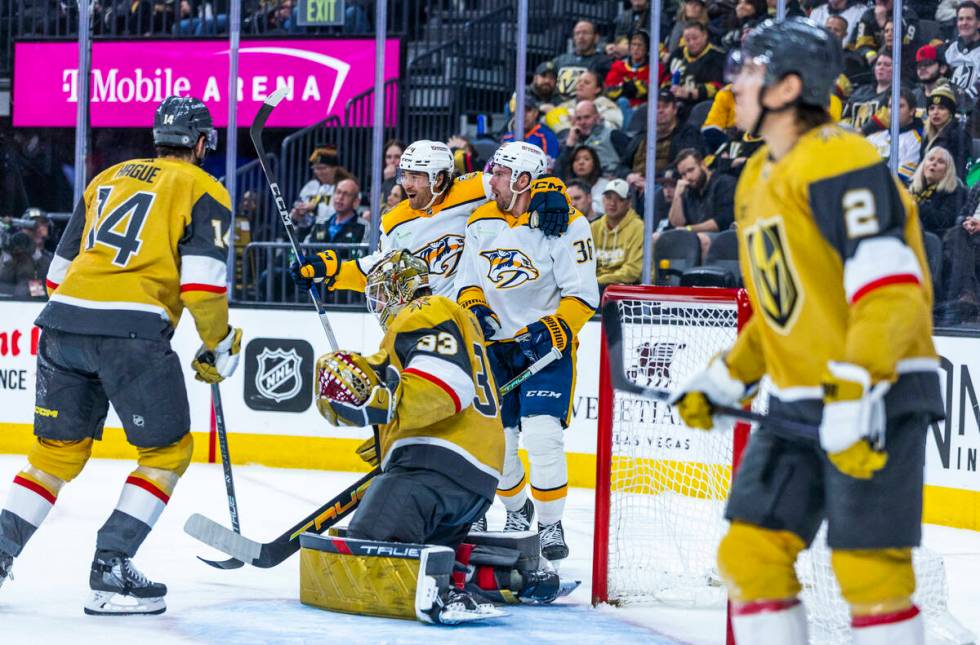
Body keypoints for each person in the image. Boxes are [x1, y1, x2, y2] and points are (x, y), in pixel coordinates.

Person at [671, 18, 942, 644]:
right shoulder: (757, 178)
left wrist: (857, 385)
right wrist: (727, 376)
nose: (733, 82)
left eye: (750, 71)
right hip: (801, 400)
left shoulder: (840, 158)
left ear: (789, 87)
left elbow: (893, 292)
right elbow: (785, 310)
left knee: (870, 571)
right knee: (750, 554)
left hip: (879, 390)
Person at [0, 96, 243, 614]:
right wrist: (218, 343)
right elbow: (203, 286)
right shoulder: (203, 187)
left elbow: (55, 276)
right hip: (131, 334)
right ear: (201, 144)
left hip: (62, 323)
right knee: (166, 453)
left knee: (53, 457)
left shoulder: (105, 179)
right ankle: (111, 569)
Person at [456, 142, 599, 562]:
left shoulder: (567, 222)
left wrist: (555, 328)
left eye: (499, 173)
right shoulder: (480, 219)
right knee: (496, 444)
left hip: (546, 350)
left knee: (542, 436)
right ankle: (518, 511)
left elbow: (583, 293)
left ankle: (551, 524)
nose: (491, 179)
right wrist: (475, 308)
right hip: (497, 350)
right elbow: (470, 282)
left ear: (522, 180)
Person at [288, 140, 572, 299]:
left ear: (439, 178)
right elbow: (380, 268)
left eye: (417, 177)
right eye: (405, 175)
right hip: (426, 317)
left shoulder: (472, 189)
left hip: (477, 310)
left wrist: (551, 189)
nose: (407, 184)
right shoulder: (394, 220)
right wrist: (329, 268)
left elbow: (518, 180)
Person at [665, 148, 736, 257]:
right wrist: (677, 196)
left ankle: (700, 274)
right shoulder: (688, 189)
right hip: (694, 236)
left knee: (701, 239)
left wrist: (689, 229)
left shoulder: (724, 183)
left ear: (702, 165)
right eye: (683, 174)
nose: (688, 177)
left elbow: (721, 222)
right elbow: (676, 224)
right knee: (656, 239)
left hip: (723, 237)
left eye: (691, 170)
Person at [290, 146, 353, 241]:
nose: (318, 172)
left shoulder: (345, 185)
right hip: (310, 237)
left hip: (337, 236)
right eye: (315, 168)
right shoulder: (310, 186)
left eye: (322, 168)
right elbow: (300, 214)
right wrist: (297, 216)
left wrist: (315, 208)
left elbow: (344, 212)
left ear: (334, 168)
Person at [591, 179, 644, 288]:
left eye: (620, 199)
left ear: (629, 203)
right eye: (608, 197)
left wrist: (599, 281)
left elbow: (634, 270)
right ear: (603, 199)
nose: (612, 203)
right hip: (597, 285)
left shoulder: (638, 227)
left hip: (629, 288)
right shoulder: (594, 227)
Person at [665, 21, 727, 113]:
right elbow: (665, 79)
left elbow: (719, 86)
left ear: (705, 35)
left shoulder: (718, 56)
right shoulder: (677, 54)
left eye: (695, 38)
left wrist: (690, 93)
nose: (691, 43)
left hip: (704, 107)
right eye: (687, 39)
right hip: (674, 105)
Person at [864, 88, 923, 182]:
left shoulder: (917, 139)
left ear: (912, 111)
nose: (894, 110)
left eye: (900, 106)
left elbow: (902, 178)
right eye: (891, 106)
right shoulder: (876, 136)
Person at [942, 183, 980, 323]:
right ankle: (967, 292)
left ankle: (968, 295)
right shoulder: (978, 187)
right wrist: (966, 222)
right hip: (971, 237)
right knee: (956, 234)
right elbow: (963, 213)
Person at [909, 146, 966, 237]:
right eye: (931, 159)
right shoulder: (910, 187)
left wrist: (915, 206)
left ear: (948, 170)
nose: (934, 163)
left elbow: (945, 221)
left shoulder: (955, 191)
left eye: (940, 162)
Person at [552, 20, 612, 100]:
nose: (581, 37)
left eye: (585, 33)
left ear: (596, 38)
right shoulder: (559, 61)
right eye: (577, 33)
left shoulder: (605, 63)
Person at [0, 209, 53, 300]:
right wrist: (8, 254)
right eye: (31, 226)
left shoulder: (51, 259)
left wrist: (35, 254)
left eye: (42, 224)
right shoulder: (7, 256)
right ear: (21, 229)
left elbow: (42, 292)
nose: (37, 229)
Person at [920, 85, 969, 178]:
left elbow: (958, 172)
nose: (935, 112)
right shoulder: (927, 136)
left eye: (942, 108)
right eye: (931, 108)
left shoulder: (958, 136)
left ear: (950, 112)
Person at [562, 101, 622, 175]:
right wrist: (569, 145)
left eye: (587, 117)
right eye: (578, 118)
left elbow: (627, 163)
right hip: (579, 183)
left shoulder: (612, 134)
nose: (582, 122)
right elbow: (560, 172)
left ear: (597, 117)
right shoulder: (570, 141)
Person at [302, 178, 365, 245]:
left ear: (356, 201)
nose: (340, 197)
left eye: (346, 194)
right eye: (338, 192)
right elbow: (306, 249)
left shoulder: (364, 227)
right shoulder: (320, 223)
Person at [843, 51, 893, 130]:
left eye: (887, 65)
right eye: (878, 64)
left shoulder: (897, 94)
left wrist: (862, 131)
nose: (881, 67)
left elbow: (886, 118)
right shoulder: (861, 91)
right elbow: (845, 117)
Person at [605, 29, 653, 112]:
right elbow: (610, 90)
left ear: (647, 48)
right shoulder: (618, 65)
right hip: (618, 108)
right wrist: (628, 88)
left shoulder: (655, 68)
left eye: (640, 45)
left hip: (644, 110)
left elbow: (651, 91)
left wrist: (630, 87)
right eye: (633, 44)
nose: (636, 48)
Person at [555, 144, 608, 214]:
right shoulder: (565, 187)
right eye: (577, 159)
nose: (581, 162)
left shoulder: (605, 185)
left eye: (586, 159)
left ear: (594, 163)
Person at [945, 1, 980, 100]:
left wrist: (965, 98)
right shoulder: (950, 48)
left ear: (978, 23)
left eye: (969, 19)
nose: (964, 23)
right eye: (961, 19)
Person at [912, 44, 954, 109]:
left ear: (943, 68)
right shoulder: (913, 96)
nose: (922, 68)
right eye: (919, 65)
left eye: (928, 63)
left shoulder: (955, 94)